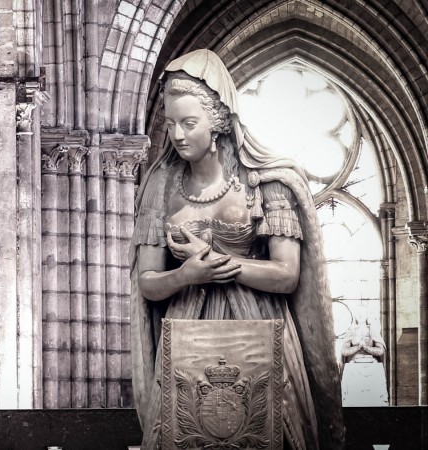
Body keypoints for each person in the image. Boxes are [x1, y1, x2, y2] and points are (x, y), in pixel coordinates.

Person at [130, 49, 344, 449]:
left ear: (217, 120)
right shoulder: (160, 187)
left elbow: (287, 275)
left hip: (260, 324)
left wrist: (213, 264)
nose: (177, 135)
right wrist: (186, 275)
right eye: (171, 123)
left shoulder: (266, 183)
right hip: (186, 329)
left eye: (189, 123)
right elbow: (147, 282)